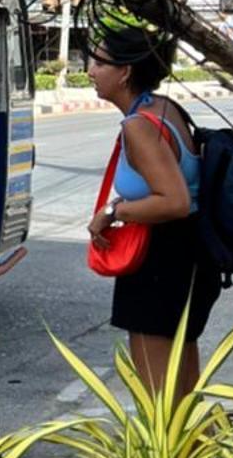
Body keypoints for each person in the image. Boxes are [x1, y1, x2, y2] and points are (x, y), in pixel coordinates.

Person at [85, 23, 218, 399]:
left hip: (159, 259)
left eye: (99, 62)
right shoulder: (164, 108)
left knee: (160, 397)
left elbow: (173, 200)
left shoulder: (140, 126)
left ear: (125, 71)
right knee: (184, 391)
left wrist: (113, 212)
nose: (91, 71)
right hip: (187, 255)